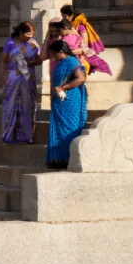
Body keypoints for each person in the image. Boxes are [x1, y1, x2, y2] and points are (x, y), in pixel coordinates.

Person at [46, 40, 89, 168]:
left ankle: (69, 158)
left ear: (61, 51)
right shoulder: (61, 62)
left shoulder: (71, 61)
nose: (53, 56)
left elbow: (80, 78)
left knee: (69, 128)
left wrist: (63, 88)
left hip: (69, 100)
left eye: (54, 53)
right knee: (60, 128)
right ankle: (59, 159)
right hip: (60, 102)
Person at [0, 22, 42, 144]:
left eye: (31, 34)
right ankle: (8, 134)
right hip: (12, 77)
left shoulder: (33, 44)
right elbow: (3, 60)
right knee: (10, 104)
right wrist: (1, 76)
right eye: (27, 34)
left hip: (28, 77)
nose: (30, 36)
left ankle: (26, 135)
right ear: (20, 33)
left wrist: (28, 63)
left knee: (27, 104)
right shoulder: (10, 43)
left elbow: (39, 60)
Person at [61, 5, 113, 77]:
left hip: (80, 56)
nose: (63, 19)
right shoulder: (65, 26)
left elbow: (84, 45)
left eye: (65, 16)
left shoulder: (80, 26)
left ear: (71, 16)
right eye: (62, 16)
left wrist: (68, 52)